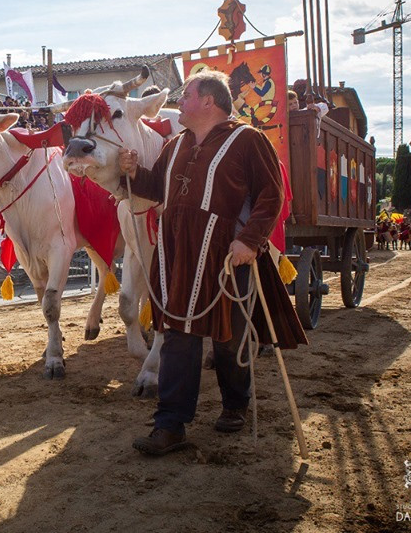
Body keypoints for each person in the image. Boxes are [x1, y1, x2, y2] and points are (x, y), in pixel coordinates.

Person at [117, 70, 307, 456]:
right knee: (178, 337)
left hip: (226, 256)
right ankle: (170, 425)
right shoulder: (175, 146)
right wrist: (134, 172)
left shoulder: (247, 140)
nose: (179, 102)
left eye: (186, 95)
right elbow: (155, 189)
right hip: (177, 254)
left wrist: (250, 240)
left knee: (228, 337)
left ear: (208, 101)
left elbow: (273, 195)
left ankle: (235, 404)